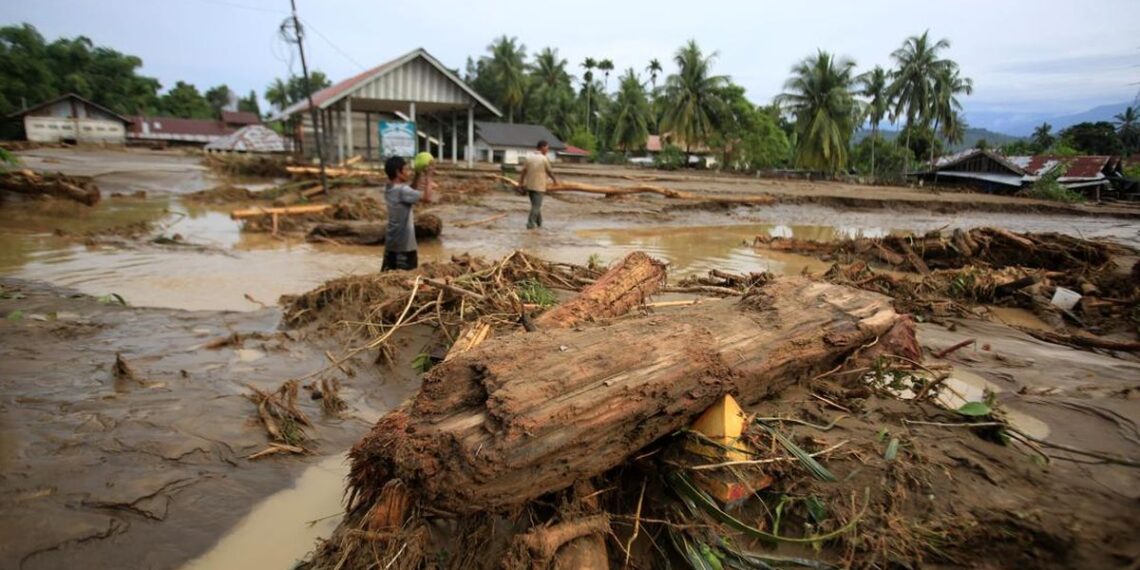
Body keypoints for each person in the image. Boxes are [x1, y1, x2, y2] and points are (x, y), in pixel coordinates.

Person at [381, 155, 434, 271]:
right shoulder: (402, 190)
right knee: (406, 279)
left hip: (391, 244)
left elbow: (411, 191)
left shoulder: (389, 187)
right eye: (405, 169)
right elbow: (427, 198)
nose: (408, 172)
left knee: (387, 276)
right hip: (404, 247)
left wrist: (418, 174)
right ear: (398, 172)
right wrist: (429, 177)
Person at [517, 140, 558, 229]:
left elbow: (523, 172)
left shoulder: (528, 158)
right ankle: (530, 224)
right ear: (542, 147)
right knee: (536, 206)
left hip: (530, 186)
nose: (547, 150)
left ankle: (539, 223)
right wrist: (555, 181)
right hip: (539, 186)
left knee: (535, 205)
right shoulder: (544, 159)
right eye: (547, 148)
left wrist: (520, 183)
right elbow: (549, 172)